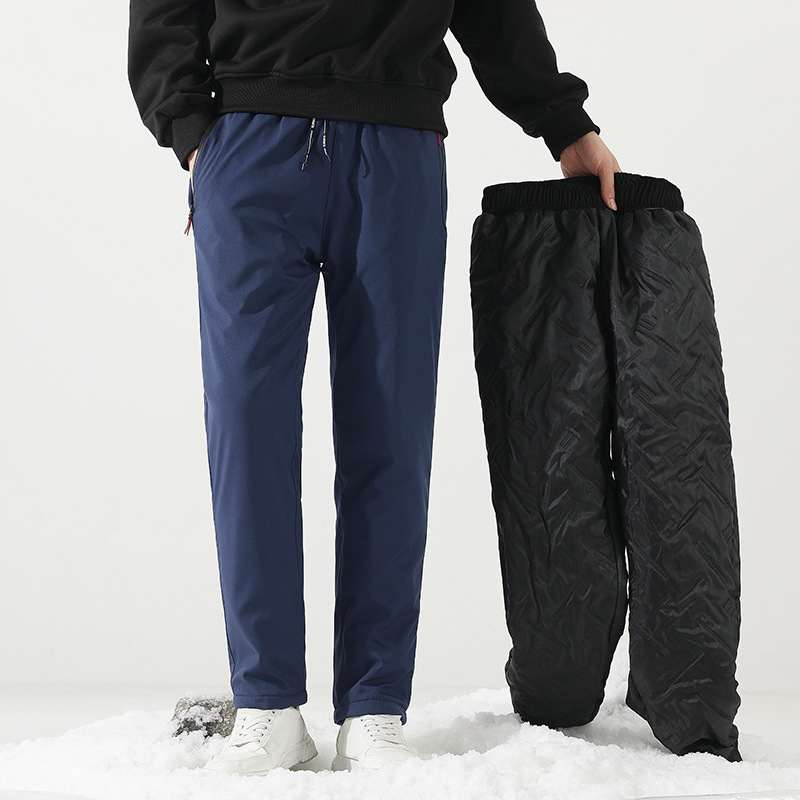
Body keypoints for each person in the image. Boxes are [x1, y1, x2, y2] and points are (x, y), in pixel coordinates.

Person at [127, 0, 620, 774]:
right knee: (246, 429)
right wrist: (189, 127)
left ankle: (374, 706)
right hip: (248, 137)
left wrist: (563, 123)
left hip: (395, 138)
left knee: (391, 428)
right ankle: (267, 702)